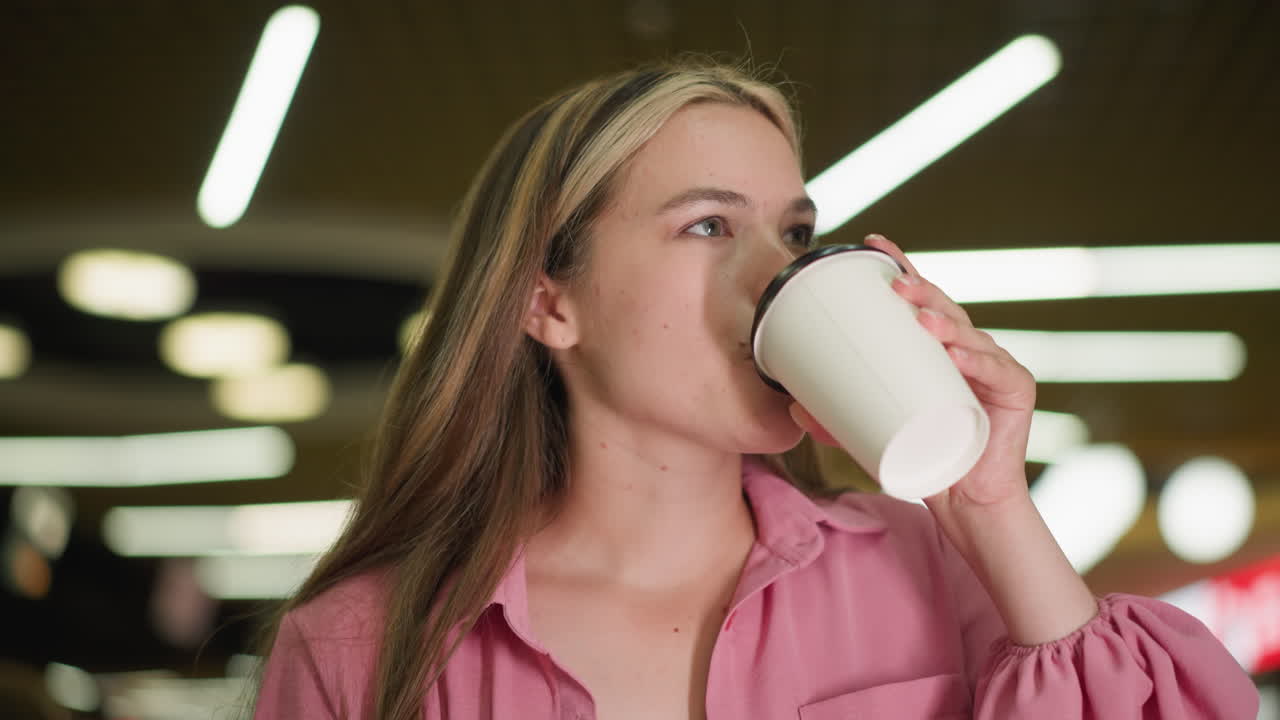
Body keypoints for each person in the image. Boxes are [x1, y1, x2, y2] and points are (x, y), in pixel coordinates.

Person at [251, 58, 1258, 719]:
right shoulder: (362, 649)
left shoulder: (929, 567)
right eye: (706, 226)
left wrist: (989, 507)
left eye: (794, 232)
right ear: (547, 303)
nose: (777, 273)